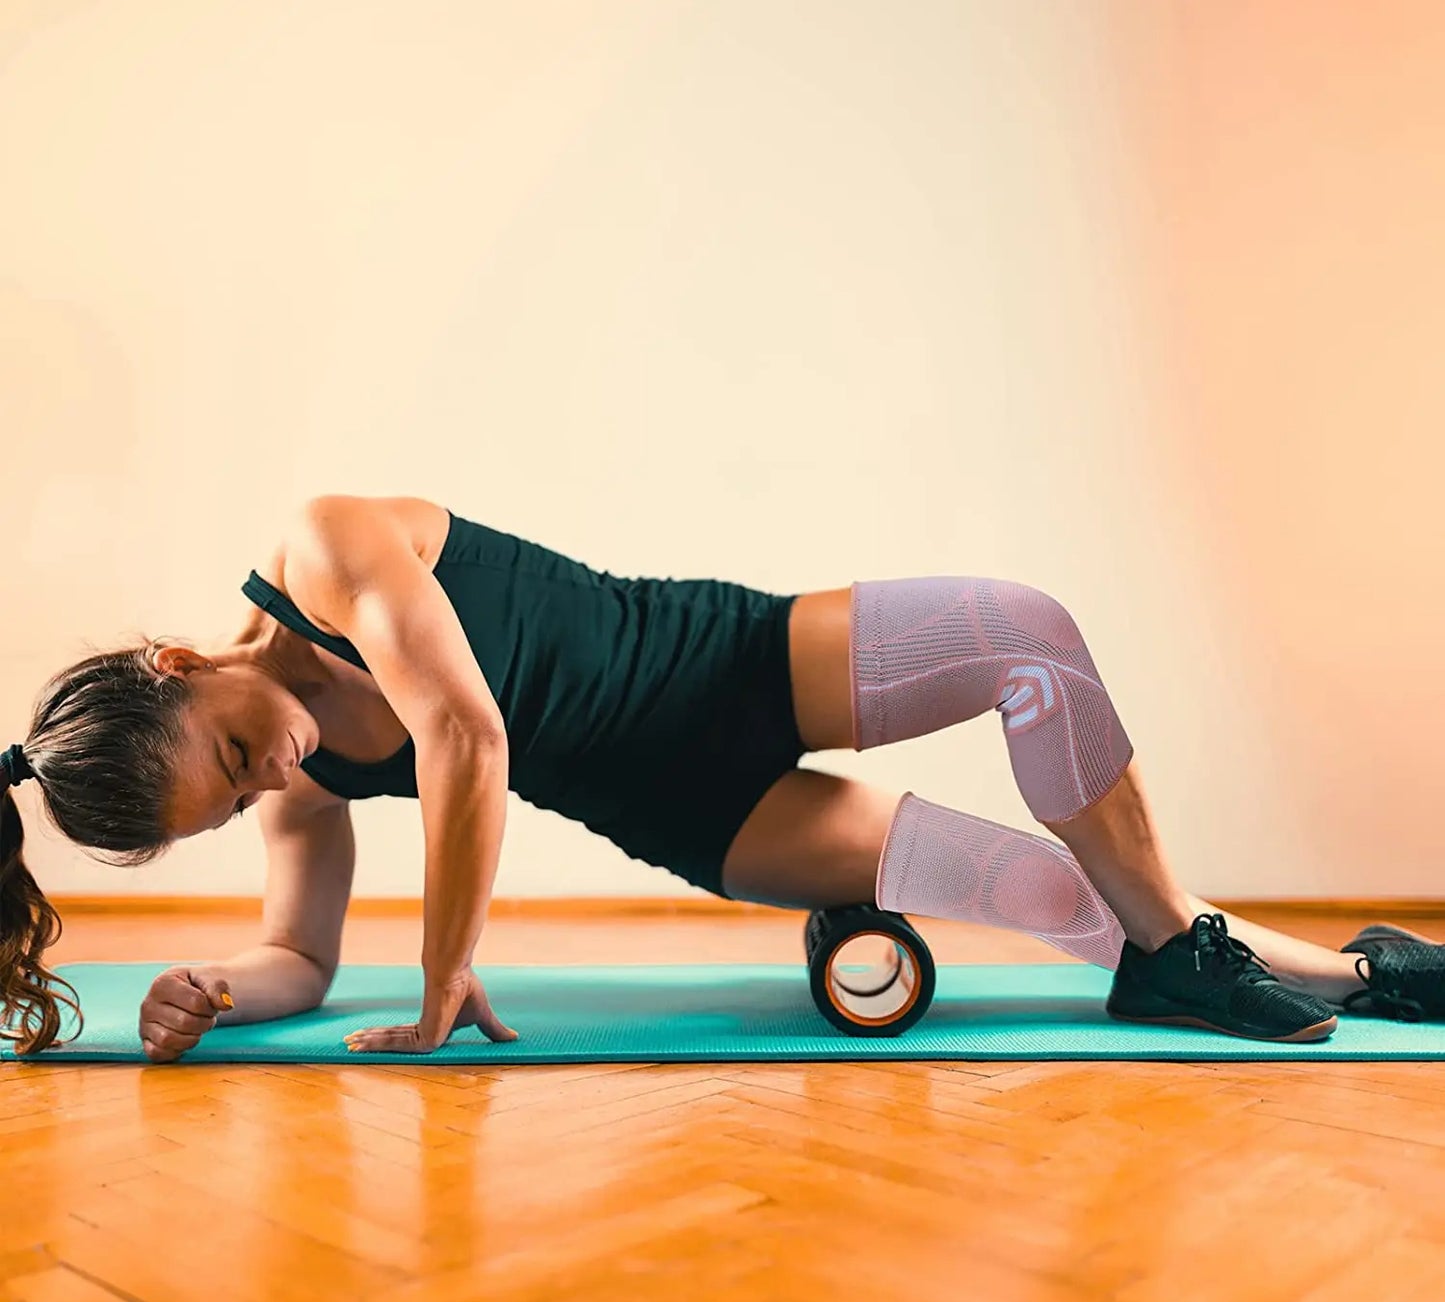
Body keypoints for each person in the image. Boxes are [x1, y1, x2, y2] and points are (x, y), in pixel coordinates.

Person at [1, 493, 1437, 1060]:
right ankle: (1323, 972)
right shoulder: (303, 780)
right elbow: (299, 952)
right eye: (242, 803)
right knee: (1023, 885)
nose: (276, 780)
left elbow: (470, 734)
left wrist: (444, 977)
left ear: (188, 659)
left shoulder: (323, 546)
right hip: (694, 809)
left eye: (239, 756)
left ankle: (1274, 961)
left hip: (725, 655)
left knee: (1028, 636)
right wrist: (218, 986)